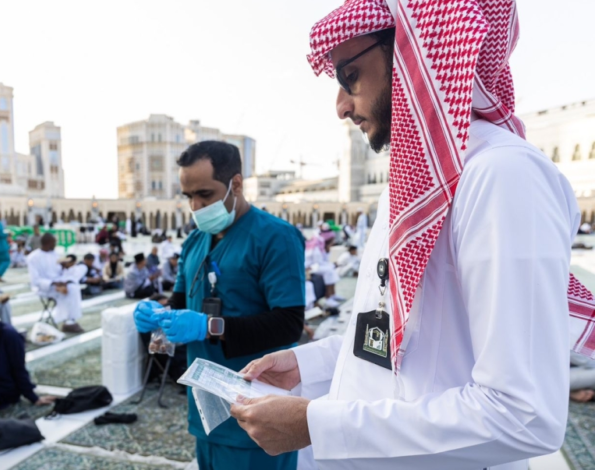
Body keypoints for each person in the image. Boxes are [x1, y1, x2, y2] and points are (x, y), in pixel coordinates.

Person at [228, 3, 584, 469]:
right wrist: (306, 366)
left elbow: (522, 415)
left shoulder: (501, 176)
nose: (341, 105)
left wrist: (319, 425)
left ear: (417, 54)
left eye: (351, 75)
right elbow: (396, 340)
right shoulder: (410, 185)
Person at [133, 140, 305, 470]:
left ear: (235, 184)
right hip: (206, 407)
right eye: (189, 197)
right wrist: (157, 317)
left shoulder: (275, 237)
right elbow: (180, 303)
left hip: (258, 410)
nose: (196, 206)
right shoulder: (195, 241)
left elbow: (288, 323)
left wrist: (208, 326)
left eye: (205, 195)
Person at [27, 234, 86, 333]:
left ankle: (70, 320)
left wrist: (64, 267)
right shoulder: (33, 257)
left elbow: (59, 272)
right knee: (71, 290)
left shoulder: (54, 254)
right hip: (45, 287)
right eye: (54, 243)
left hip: (59, 282)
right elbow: (35, 280)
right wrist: (53, 283)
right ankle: (69, 322)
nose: (55, 245)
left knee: (74, 285)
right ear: (48, 243)